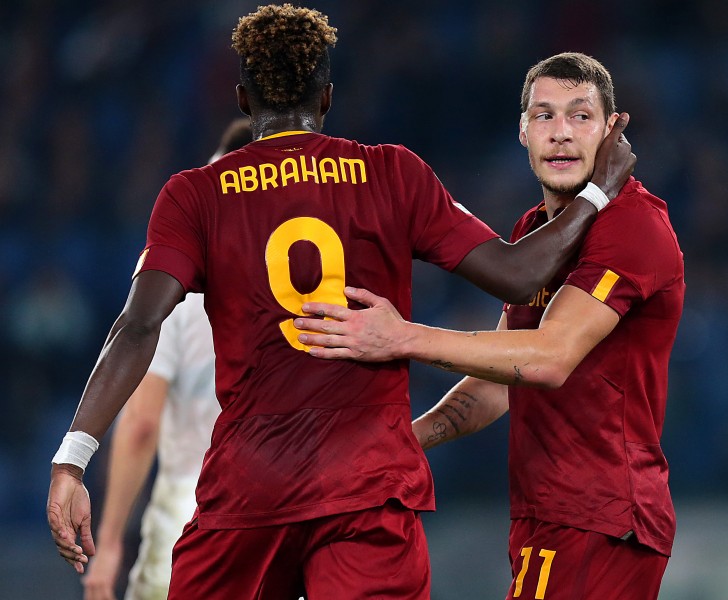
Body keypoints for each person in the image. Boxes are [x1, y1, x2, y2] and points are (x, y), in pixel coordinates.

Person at [46, 6, 635, 599]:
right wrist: (599, 192)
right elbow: (517, 273)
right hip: (367, 486)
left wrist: (73, 458)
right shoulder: (391, 174)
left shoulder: (194, 194)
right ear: (327, 96)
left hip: (249, 488)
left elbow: (140, 323)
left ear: (243, 99)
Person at [294, 52, 683, 600]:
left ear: (613, 131)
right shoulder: (536, 232)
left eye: (581, 116)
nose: (561, 134)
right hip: (550, 515)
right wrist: (405, 441)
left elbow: (548, 358)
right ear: (522, 132)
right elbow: (501, 379)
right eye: (544, 116)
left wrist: (400, 335)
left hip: (600, 516)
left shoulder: (634, 226)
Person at [81, 119, 251, 600]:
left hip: (193, 512)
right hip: (293, 506)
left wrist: (111, 540)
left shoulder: (176, 262)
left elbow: (140, 422)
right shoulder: (314, 260)